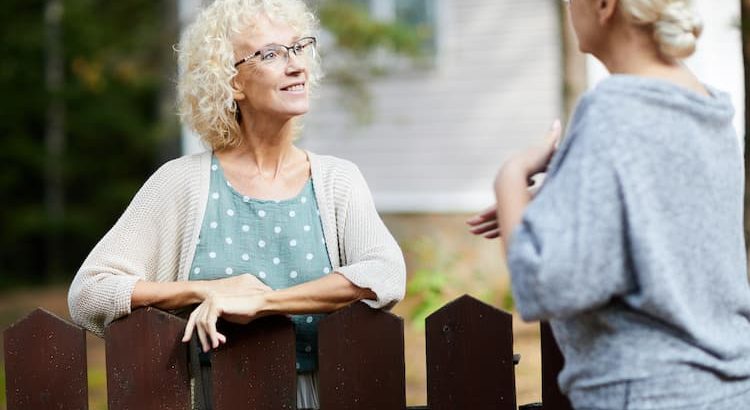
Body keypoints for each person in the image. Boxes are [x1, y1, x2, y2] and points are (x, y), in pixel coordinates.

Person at [67, 0, 406, 408]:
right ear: (231, 83)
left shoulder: (337, 179)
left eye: (299, 48)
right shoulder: (181, 182)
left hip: (323, 394)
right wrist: (207, 289)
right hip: (216, 395)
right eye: (271, 54)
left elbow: (385, 274)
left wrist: (262, 301)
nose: (296, 65)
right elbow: (89, 292)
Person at [468, 0, 750, 408]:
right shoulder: (707, 108)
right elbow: (661, 213)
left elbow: (542, 287)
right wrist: (558, 195)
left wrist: (510, 179)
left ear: (604, 5)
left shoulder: (613, 110)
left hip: (647, 395)